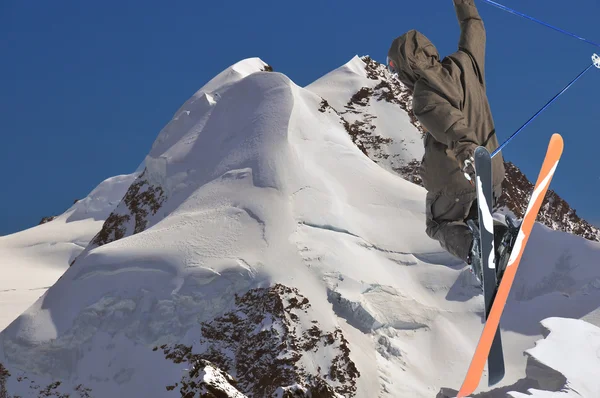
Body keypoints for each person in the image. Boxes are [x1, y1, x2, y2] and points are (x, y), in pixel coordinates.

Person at [386, 0, 509, 284]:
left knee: (439, 223)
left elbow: (451, 124)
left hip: (460, 175)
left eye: (395, 69)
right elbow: (474, 27)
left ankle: (478, 252)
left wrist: (468, 154)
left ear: (405, 67)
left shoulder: (423, 93)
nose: (396, 76)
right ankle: (499, 240)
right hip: (493, 173)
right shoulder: (467, 63)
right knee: (476, 218)